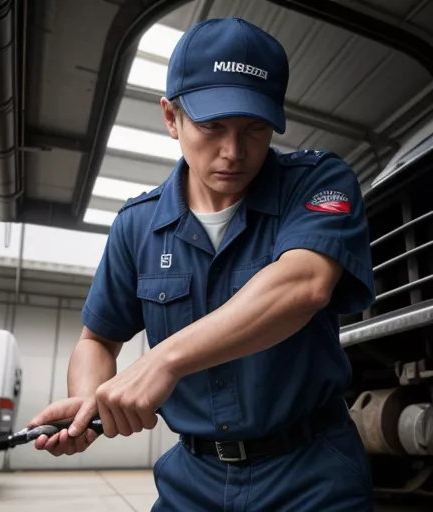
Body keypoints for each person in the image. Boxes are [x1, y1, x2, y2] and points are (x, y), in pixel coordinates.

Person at [29, 16, 376, 511]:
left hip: (312, 474)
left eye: (255, 129)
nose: (233, 152)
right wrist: (92, 403)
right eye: (212, 127)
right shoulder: (136, 226)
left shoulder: (317, 181)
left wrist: (162, 361)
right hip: (192, 480)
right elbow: (97, 340)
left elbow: (304, 284)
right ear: (171, 117)